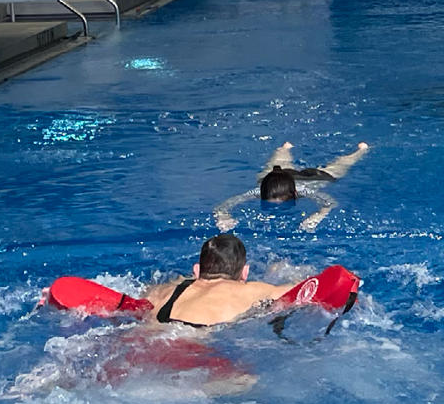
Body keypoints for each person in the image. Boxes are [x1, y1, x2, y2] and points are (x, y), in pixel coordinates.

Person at [142, 234, 296, 328]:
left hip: (156, 332)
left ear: (196, 270)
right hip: (198, 343)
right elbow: (303, 290)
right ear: (245, 273)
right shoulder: (251, 291)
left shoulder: (162, 291)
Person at [213, 140, 369, 232]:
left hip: (313, 179)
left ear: (294, 194)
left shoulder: (303, 190)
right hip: (277, 177)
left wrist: (317, 216)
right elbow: (224, 205)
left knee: (336, 169)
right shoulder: (260, 190)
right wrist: (223, 216)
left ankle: (360, 151)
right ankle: (285, 148)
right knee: (276, 165)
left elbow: (330, 203)